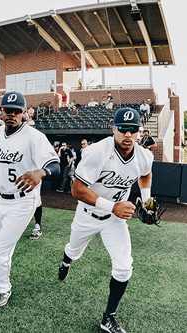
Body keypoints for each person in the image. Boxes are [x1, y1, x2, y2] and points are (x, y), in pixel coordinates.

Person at [58, 108, 153, 333]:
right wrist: (113, 206)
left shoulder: (144, 155)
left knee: (123, 267)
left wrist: (146, 200)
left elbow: (145, 173)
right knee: (73, 249)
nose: (127, 134)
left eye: (133, 130)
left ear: (139, 132)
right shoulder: (97, 151)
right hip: (88, 214)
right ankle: (66, 261)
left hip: (114, 219)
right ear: (114, 129)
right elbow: (77, 189)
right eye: (122, 129)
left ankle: (109, 316)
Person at [0, 91, 60, 307]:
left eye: (17, 111)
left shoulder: (34, 137)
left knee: (1, 250)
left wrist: (41, 173)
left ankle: (3, 289)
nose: (12, 114)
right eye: (8, 110)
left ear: (24, 113)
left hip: (22, 201)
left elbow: (55, 166)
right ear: (1, 111)